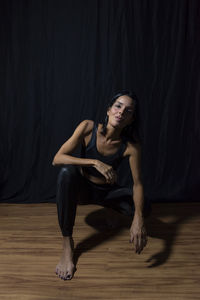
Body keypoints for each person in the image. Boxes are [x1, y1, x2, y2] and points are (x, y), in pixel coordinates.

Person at [52, 90, 151, 280]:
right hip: (83, 190)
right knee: (66, 172)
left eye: (128, 111)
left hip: (107, 193)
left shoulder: (131, 147)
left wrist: (138, 219)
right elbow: (57, 158)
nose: (121, 112)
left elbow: (138, 184)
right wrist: (94, 162)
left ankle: (111, 209)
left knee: (144, 205)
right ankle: (67, 243)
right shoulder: (88, 128)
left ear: (131, 120)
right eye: (118, 106)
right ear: (108, 110)